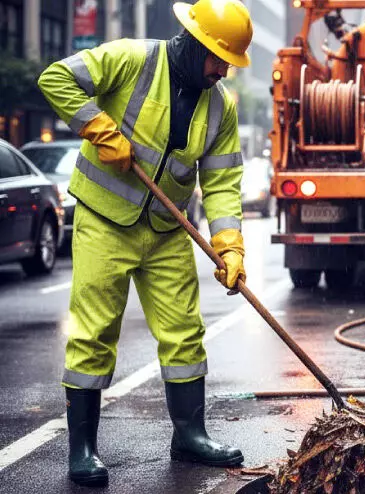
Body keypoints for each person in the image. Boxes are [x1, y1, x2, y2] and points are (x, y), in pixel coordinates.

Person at [37, 0, 253, 486]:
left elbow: (221, 183)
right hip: (104, 220)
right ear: (196, 44)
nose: (222, 71)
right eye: (219, 59)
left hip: (165, 229)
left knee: (185, 332)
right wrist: (96, 124)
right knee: (93, 334)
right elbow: (55, 78)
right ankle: (83, 448)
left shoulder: (220, 107)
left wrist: (230, 246)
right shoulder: (132, 59)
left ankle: (190, 434)